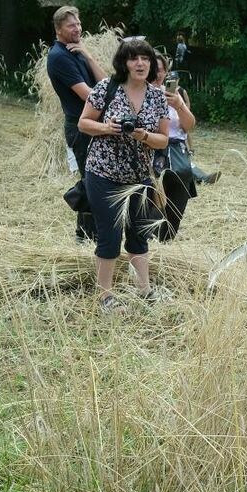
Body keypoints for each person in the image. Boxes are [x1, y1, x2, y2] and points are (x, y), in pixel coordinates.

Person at [77, 37, 170, 313]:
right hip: (103, 173)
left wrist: (142, 135)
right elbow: (83, 123)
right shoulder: (107, 88)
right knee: (109, 234)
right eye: (133, 58)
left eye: (145, 58)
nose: (140, 63)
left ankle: (145, 290)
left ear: (151, 63)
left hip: (140, 176)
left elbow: (164, 140)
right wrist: (107, 128)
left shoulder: (156, 96)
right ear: (124, 63)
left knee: (139, 234)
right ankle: (104, 296)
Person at [46, 6, 107, 244]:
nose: (78, 29)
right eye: (72, 25)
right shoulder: (59, 57)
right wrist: (115, 102)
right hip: (80, 126)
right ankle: (86, 235)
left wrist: (88, 55)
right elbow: (88, 95)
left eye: (79, 24)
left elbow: (104, 82)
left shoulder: (76, 50)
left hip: (93, 122)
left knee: (94, 178)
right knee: (92, 180)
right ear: (59, 29)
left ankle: (86, 234)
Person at [150, 55, 218, 242]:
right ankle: (150, 239)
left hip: (176, 151)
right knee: (151, 199)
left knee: (178, 197)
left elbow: (189, 126)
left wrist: (179, 105)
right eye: (153, 68)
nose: (157, 73)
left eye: (161, 69)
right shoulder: (138, 93)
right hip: (151, 149)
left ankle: (167, 238)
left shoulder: (173, 94)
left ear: (165, 71)